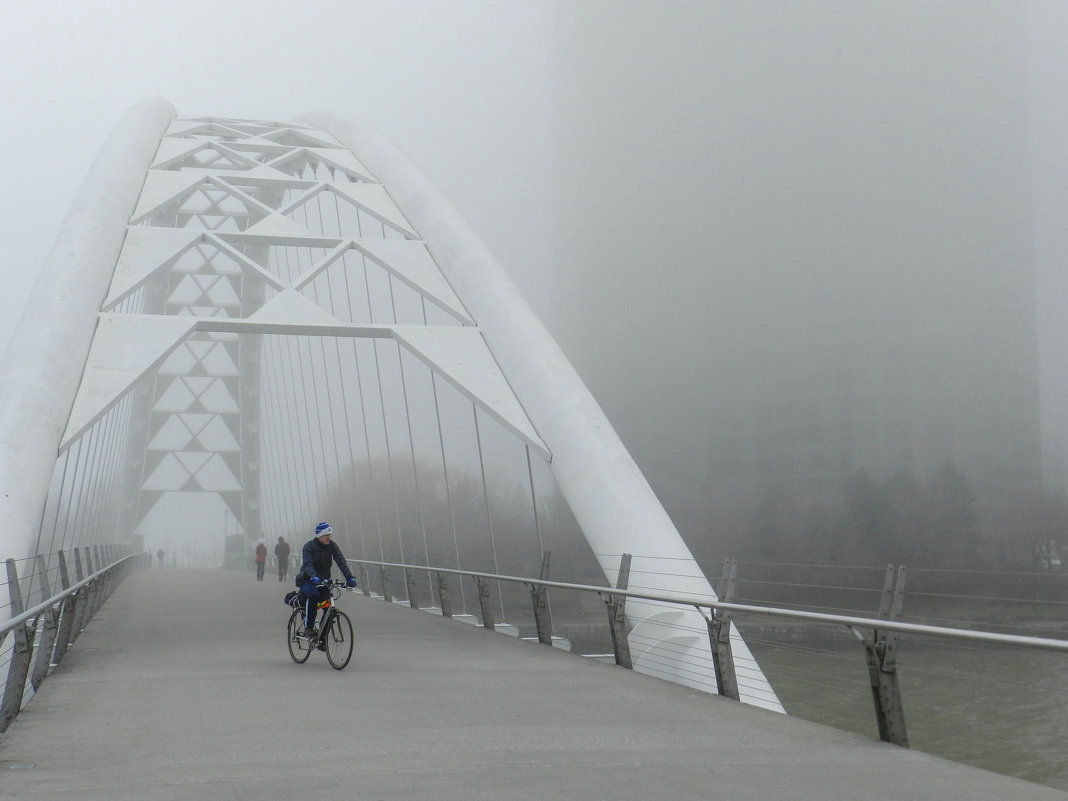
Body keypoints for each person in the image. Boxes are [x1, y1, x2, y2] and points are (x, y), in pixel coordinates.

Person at [296, 522, 357, 639]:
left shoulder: (332, 546)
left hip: (323, 581)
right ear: (319, 535)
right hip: (307, 580)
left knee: (328, 606)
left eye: (329, 534)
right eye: (325, 535)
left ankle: (322, 637)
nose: (328, 537)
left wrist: (349, 577)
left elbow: (340, 561)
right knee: (314, 596)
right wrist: (313, 576)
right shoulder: (308, 547)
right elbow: (308, 564)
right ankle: (309, 628)